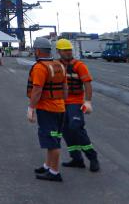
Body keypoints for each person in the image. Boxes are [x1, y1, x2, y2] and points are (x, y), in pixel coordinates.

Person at [27, 37, 68, 182]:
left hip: (47, 110)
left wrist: (31, 108)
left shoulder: (40, 67)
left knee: (53, 142)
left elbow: (37, 90)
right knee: (53, 139)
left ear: (38, 51)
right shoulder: (59, 65)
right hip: (59, 108)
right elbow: (65, 90)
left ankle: (55, 172)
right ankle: (48, 166)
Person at [56, 38, 100, 171]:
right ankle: (76, 159)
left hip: (75, 102)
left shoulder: (79, 65)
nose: (68, 52)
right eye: (65, 50)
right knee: (66, 131)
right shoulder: (56, 65)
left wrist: (88, 101)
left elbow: (87, 84)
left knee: (76, 128)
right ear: (59, 51)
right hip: (60, 104)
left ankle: (92, 157)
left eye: (69, 50)